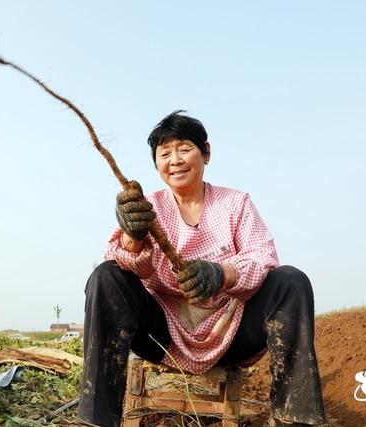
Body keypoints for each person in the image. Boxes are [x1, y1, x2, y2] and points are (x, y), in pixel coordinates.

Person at [77, 111, 326, 427]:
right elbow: (128, 265)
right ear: (156, 164)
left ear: (205, 152)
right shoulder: (149, 206)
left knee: (291, 281)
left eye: (184, 149)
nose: (175, 160)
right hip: (162, 336)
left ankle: (295, 418)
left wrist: (221, 274)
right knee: (105, 276)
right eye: (164, 154)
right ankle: (97, 420)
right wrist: (133, 235)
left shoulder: (236, 202)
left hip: (231, 332)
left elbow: (262, 257)